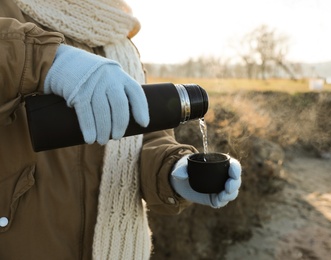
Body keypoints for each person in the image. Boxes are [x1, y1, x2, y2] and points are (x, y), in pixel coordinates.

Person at [0, 0, 242, 259]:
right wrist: (45, 60)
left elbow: (141, 130)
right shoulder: (10, 9)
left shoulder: (117, 36)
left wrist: (174, 170)